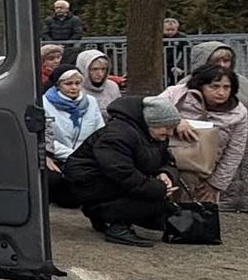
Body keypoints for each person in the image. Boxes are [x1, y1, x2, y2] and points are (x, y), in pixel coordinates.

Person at [59, 95, 182, 247]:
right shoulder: (118, 135)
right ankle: (114, 222)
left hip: (108, 182)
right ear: (150, 123)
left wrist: (166, 174)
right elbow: (121, 173)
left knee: (162, 211)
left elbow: (167, 161)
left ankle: (105, 217)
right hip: (88, 183)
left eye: (172, 128)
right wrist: (158, 189)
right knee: (153, 203)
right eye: (166, 127)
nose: (170, 133)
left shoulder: (155, 136)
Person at [187, 41, 248, 210]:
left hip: (243, 142)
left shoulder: (245, 85)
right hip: (205, 146)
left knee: (240, 176)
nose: (222, 65)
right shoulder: (187, 86)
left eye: (226, 61)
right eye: (217, 61)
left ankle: (241, 203)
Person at [158, 64, 248, 208]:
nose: (221, 92)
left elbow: (235, 151)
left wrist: (216, 184)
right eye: (214, 87)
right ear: (201, 85)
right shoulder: (177, 94)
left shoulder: (238, 113)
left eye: (226, 87)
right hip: (167, 164)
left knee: (201, 215)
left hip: (206, 173)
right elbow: (150, 109)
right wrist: (175, 121)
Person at [42, 66, 105, 197]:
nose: (74, 87)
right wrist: (73, 156)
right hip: (58, 157)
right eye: (68, 83)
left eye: (77, 83)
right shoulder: (44, 103)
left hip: (87, 158)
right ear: (58, 85)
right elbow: (46, 137)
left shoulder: (91, 102)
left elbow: (100, 131)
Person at [162, 18, 189, 85]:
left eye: (172, 30)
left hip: (176, 65)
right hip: (162, 64)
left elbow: (186, 54)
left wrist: (180, 66)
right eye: (168, 30)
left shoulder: (182, 38)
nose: (170, 32)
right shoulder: (158, 37)